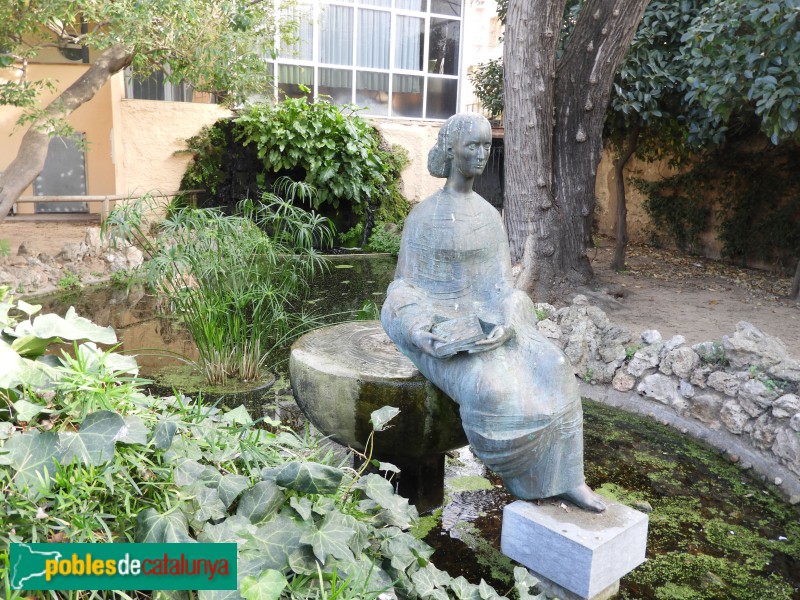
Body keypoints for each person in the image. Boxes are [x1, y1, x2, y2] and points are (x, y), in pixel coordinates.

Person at [381, 113, 605, 512]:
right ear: (451, 150)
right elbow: (403, 288)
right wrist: (421, 330)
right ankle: (530, 481)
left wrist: (507, 319)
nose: (483, 154)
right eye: (474, 146)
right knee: (492, 388)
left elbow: (503, 287)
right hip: (439, 330)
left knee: (553, 362)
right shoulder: (423, 216)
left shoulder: (488, 215)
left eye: (487, 145)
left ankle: (569, 478)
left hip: (486, 322)